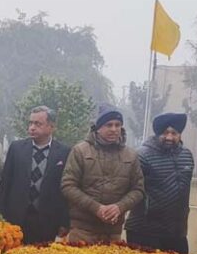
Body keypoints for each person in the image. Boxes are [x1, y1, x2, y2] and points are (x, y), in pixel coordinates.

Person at [61, 104, 144, 244]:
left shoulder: (131, 155)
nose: (114, 129)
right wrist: (96, 208)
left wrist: (120, 207)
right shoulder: (80, 151)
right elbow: (67, 186)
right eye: (109, 125)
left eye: (118, 125)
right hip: (82, 231)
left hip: (113, 233)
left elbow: (138, 190)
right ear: (98, 128)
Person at [0, 106, 69, 244]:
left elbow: (64, 190)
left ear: (51, 127)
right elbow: (5, 184)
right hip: (15, 218)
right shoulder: (16, 148)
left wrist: (64, 222)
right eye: (30, 123)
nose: (32, 127)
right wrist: (0, 216)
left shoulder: (64, 152)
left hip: (47, 221)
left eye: (38, 124)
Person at [125, 113, 194, 254]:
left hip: (176, 231)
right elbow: (130, 188)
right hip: (144, 231)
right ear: (157, 134)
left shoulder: (187, 155)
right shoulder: (142, 155)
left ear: (179, 135)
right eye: (165, 133)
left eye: (174, 133)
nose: (169, 137)